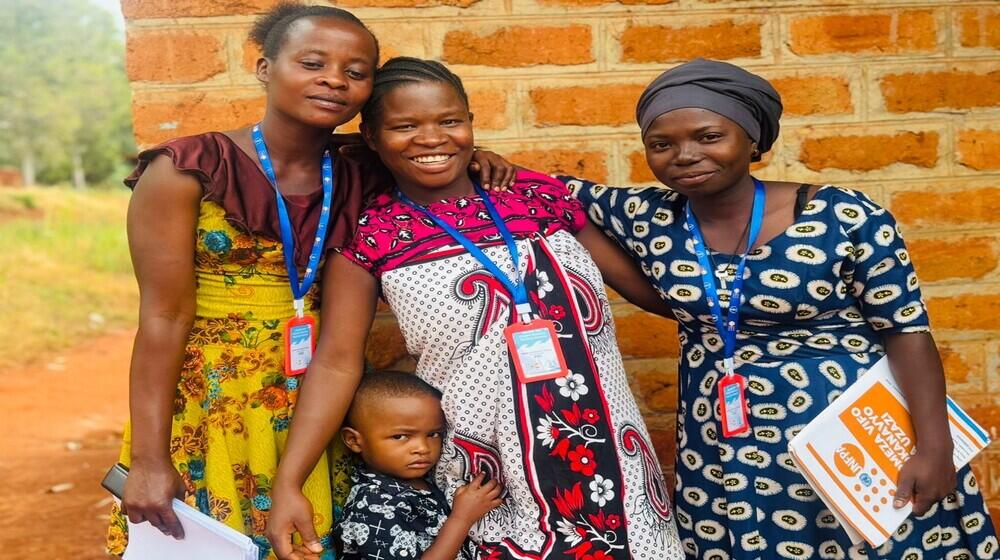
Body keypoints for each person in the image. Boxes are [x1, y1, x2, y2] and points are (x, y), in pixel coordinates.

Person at [107, 4, 514, 558]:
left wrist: (477, 158)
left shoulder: (361, 170)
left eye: (356, 71)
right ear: (264, 67)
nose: (334, 80)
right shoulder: (185, 170)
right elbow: (163, 316)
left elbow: (432, 150)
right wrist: (151, 460)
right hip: (217, 403)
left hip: (323, 397)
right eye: (313, 62)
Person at [559, 58, 999, 559]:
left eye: (708, 136)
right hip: (724, 442)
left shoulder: (843, 214)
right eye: (661, 144)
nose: (684, 155)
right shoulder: (650, 217)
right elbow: (549, 193)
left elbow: (905, 331)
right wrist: (484, 157)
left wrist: (934, 446)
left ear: (754, 141)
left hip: (851, 430)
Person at [265, 57, 685, 560]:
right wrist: (290, 481)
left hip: (614, 464)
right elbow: (335, 361)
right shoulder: (370, 235)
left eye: (449, 121)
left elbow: (657, 294)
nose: (432, 138)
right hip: (489, 482)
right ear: (372, 138)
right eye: (405, 126)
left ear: (470, 124)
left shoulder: (535, 197)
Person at [337, 370, 504, 559]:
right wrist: (462, 518)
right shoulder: (373, 506)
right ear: (354, 440)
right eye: (400, 436)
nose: (423, 448)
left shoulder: (425, 478)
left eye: (433, 434)